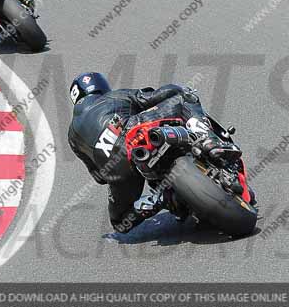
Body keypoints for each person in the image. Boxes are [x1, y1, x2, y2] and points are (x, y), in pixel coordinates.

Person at [68, 72, 243, 233]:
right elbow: (153, 97)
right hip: (134, 132)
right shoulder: (114, 96)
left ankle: (159, 199)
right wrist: (178, 89)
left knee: (120, 222)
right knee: (183, 99)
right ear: (101, 86)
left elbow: (99, 178)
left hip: (117, 171)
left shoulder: (72, 136)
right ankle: (208, 139)